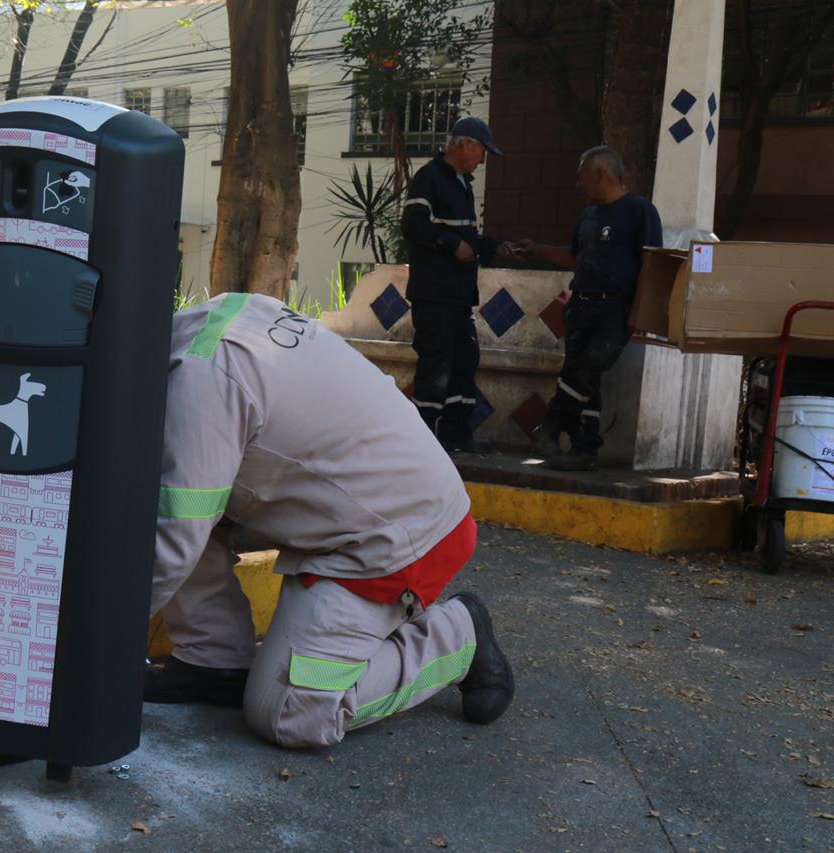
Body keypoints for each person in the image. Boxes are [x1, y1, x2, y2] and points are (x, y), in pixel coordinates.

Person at [142, 292, 515, 749]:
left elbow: (173, 540)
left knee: (290, 712)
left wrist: (81, 646)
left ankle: (457, 635)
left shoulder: (202, 382)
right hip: (358, 505)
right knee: (157, 488)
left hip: (398, 538)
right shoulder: (205, 322)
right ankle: (212, 658)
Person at [521, 146, 663, 471]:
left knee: (586, 368)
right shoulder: (588, 215)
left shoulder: (640, 211)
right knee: (584, 378)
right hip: (580, 305)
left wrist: (637, 311)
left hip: (615, 308)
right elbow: (575, 256)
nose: (577, 183)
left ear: (600, 173)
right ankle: (584, 450)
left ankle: (552, 425)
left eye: (581, 174)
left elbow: (651, 264)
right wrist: (538, 251)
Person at [402, 116, 516, 454]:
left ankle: (456, 434)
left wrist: (494, 246)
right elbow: (413, 225)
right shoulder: (429, 178)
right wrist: (452, 244)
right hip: (434, 294)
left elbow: (468, 237)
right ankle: (423, 440)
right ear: (464, 144)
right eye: (482, 151)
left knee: (465, 359)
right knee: (435, 362)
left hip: (458, 295)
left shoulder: (461, 183)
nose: (482, 160)